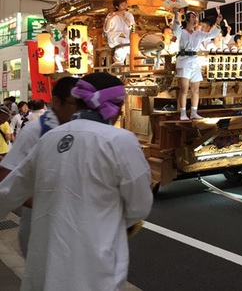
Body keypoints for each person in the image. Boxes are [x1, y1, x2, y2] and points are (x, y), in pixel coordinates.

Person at [0, 72, 153, 290]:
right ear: (117, 106)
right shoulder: (120, 140)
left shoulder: (48, 138)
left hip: (46, 257)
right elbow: (139, 206)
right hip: (94, 260)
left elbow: (8, 191)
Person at [0, 76, 79, 257]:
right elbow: (6, 178)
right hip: (41, 224)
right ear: (56, 102)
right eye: (75, 104)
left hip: (75, 226)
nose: (80, 111)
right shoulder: (36, 130)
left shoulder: (81, 129)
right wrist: (49, 203)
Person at [172, 9, 223, 120]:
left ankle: (194, 112)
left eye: (195, 17)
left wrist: (218, 22)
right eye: (192, 17)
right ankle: (183, 113)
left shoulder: (198, 33)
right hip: (184, 60)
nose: (195, 19)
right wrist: (176, 15)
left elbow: (212, 34)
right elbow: (175, 29)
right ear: (186, 19)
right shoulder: (182, 32)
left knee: (195, 89)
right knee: (184, 89)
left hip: (194, 60)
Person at [104, 0, 135, 65]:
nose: (125, 6)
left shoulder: (129, 15)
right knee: (126, 41)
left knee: (133, 46)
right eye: (122, 5)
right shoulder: (111, 15)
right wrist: (109, 19)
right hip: (114, 36)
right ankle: (117, 58)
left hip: (125, 37)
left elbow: (131, 25)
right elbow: (106, 30)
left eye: (125, 4)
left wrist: (123, 18)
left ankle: (121, 64)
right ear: (117, 7)